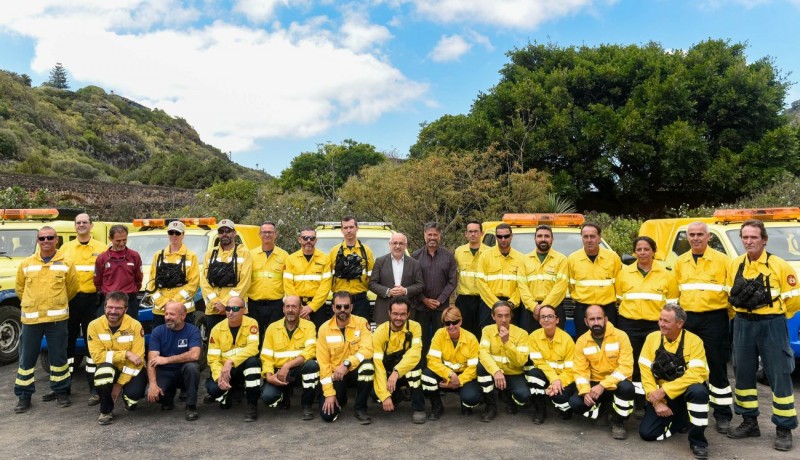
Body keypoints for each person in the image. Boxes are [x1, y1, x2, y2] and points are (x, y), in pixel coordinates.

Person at [725, 219, 798, 451]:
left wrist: (776, 316)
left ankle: (784, 429)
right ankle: (749, 422)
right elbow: (729, 295)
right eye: (745, 237)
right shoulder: (735, 264)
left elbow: (794, 298)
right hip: (743, 323)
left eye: (753, 237)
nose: (749, 241)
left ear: (764, 239)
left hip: (771, 324)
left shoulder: (779, 265)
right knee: (743, 374)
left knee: (779, 374)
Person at [674, 221, 733, 433]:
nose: (696, 238)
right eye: (692, 234)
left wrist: (729, 319)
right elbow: (675, 296)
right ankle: (689, 413)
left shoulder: (723, 261)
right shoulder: (680, 262)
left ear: (709, 237)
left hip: (714, 319)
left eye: (700, 234)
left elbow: (731, 294)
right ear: (687, 238)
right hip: (688, 320)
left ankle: (723, 414)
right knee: (688, 366)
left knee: (717, 366)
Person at [14, 226, 78, 414]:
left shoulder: (66, 262)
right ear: (38, 241)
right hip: (31, 320)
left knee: (58, 358)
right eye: (42, 238)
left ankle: (61, 391)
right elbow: (20, 289)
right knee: (26, 360)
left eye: (50, 237)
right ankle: (24, 396)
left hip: (57, 319)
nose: (46, 241)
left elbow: (72, 288)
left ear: (57, 240)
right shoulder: (26, 264)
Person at [638, 304, 710, 460]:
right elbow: (645, 373)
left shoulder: (694, 341)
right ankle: (681, 418)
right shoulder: (652, 338)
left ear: (680, 323)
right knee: (647, 433)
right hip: (660, 396)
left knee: (699, 391)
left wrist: (664, 390)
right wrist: (657, 402)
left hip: (684, 392)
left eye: (666, 321)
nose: (661, 324)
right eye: (660, 319)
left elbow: (697, 373)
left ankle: (698, 441)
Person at [615, 236, 678, 409]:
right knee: (633, 363)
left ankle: (654, 398)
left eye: (646, 249)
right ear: (634, 252)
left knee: (655, 362)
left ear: (654, 251)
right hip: (629, 324)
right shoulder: (624, 273)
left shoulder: (667, 274)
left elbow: (672, 304)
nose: (642, 253)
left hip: (655, 326)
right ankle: (637, 401)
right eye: (639, 249)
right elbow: (619, 299)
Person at [569, 304, 635, 440]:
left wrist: (603, 385)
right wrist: (585, 391)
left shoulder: (621, 336)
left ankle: (618, 421)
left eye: (599, 318)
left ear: (606, 319)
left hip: (616, 384)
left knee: (627, 388)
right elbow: (580, 370)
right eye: (592, 319)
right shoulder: (582, 341)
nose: (596, 322)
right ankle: (604, 410)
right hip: (594, 385)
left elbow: (626, 367)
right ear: (586, 322)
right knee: (576, 403)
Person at [60, 213, 106, 404]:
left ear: (91, 226)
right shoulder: (65, 248)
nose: (81, 225)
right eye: (78, 223)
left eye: (84, 222)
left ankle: (94, 387)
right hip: (70, 300)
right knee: (67, 343)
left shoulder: (101, 248)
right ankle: (64, 387)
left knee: (92, 344)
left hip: (92, 301)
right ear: (74, 226)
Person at [87, 291, 147, 425]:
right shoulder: (94, 326)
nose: (113, 311)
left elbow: (137, 360)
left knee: (133, 396)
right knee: (104, 371)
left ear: (126, 309)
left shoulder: (135, 326)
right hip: (110, 368)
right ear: (104, 307)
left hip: (130, 370)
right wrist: (125, 354)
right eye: (110, 307)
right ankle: (106, 411)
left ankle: (128, 399)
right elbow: (98, 357)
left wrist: (118, 386)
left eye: (118, 308)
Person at [316, 291, 374, 424]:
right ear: (333, 308)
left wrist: (347, 363)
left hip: (354, 371)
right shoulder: (324, 329)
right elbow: (323, 364)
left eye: (346, 307)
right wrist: (330, 393)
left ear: (351, 307)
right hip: (335, 375)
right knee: (327, 416)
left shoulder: (361, 323)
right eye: (339, 307)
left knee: (367, 367)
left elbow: (367, 350)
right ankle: (340, 399)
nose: (342, 310)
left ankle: (360, 408)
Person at [260, 295, 319, 421]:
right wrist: (269, 376)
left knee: (312, 366)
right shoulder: (272, 328)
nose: (290, 310)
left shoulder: (309, 326)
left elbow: (310, 351)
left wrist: (288, 365)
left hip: (298, 370)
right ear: (283, 309)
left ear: (300, 309)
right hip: (278, 372)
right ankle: (284, 397)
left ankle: (307, 405)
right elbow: (266, 357)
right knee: (268, 397)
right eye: (288, 306)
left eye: (294, 306)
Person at [205, 296, 261, 422]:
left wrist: (231, 361)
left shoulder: (252, 323)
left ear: (244, 310)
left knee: (253, 362)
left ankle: (252, 404)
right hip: (225, 372)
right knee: (213, 390)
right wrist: (219, 378)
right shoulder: (216, 329)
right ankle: (228, 391)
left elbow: (253, 349)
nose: (231, 312)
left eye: (235, 309)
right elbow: (213, 359)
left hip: (242, 367)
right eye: (228, 308)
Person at [421, 306, 482, 419]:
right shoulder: (439, 334)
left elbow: (473, 367)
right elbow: (432, 361)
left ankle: (466, 404)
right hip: (446, 375)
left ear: (461, 321)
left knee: (471, 398)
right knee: (426, 376)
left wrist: (459, 381)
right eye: (447, 323)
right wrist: (450, 375)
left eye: (455, 322)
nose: (451, 326)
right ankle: (437, 406)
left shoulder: (471, 339)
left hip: (465, 377)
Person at [146, 301, 202, 421]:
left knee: (192, 368)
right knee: (158, 397)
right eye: (166, 314)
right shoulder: (158, 331)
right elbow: (152, 360)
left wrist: (167, 360)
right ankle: (168, 396)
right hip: (166, 372)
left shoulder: (192, 330)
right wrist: (152, 385)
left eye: (172, 314)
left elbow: (195, 355)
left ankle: (191, 406)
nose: (168, 318)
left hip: (183, 372)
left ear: (183, 316)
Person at [372, 297, 426, 424]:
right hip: (388, 373)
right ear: (389, 313)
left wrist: (396, 372)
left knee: (416, 367)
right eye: (395, 314)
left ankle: (419, 407)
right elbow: (378, 365)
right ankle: (400, 395)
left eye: (402, 314)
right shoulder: (380, 332)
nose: (398, 318)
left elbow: (415, 353)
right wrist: (385, 396)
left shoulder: (415, 327)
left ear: (408, 314)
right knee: (376, 396)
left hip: (404, 371)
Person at [477, 300, 531, 422]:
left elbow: (521, 361)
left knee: (524, 397)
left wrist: (507, 342)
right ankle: (490, 406)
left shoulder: (522, 334)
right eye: (499, 316)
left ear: (511, 316)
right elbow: (483, 353)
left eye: (507, 315)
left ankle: (508, 397)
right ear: (493, 316)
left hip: (513, 373)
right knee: (481, 366)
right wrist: (496, 371)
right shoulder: (487, 330)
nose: (503, 319)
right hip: (494, 373)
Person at [476, 224, 535, 329]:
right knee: (489, 337)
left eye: (506, 236)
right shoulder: (485, 256)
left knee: (512, 338)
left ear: (511, 236)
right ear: (496, 237)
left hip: (512, 306)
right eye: (499, 237)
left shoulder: (521, 258)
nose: (503, 239)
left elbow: (522, 285)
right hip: (489, 305)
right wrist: (496, 304)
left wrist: (511, 303)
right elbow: (481, 283)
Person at [567, 223, 621, 338]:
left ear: (599, 238)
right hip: (582, 308)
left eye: (592, 236)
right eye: (585, 237)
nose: (589, 240)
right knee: (583, 341)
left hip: (607, 308)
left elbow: (619, 283)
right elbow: (571, 285)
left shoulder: (613, 257)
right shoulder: (573, 259)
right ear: (582, 238)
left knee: (610, 340)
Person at [411, 222, 457, 355]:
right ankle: (422, 368)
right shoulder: (415, 256)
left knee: (442, 339)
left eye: (435, 235)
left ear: (440, 236)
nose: (432, 238)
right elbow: (412, 281)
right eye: (429, 234)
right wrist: (424, 299)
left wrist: (440, 300)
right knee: (421, 340)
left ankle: (440, 368)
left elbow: (452, 281)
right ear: (424, 235)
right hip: (420, 307)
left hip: (441, 308)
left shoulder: (449, 256)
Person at [200, 219, 253, 334]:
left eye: (227, 231)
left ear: (234, 233)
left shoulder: (244, 253)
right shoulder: (210, 254)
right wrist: (215, 302)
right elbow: (204, 282)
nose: (224, 234)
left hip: (236, 309)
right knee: (214, 343)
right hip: (214, 310)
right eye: (221, 231)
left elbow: (245, 282)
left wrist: (226, 304)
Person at [527, 305, 576, 424]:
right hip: (547, 376)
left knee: (561, 399)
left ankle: (565, 409)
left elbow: (570, 369)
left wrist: (558, 382)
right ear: (539, 320)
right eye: (543, 317)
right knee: (533, 374)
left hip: (564, 378)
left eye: (550, 316)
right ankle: (540, 410)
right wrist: (553, 380)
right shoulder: (533, 337)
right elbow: (539, 363)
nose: (546, 319)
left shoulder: (567, 340)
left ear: (557, 320)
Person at [148, 221, 200, 327]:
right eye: (171, 232)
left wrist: (174, 302)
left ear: (183, 235)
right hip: (161, 311)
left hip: (183, 310)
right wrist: (164, 303)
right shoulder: (158, 256)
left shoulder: (191, 256)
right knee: (161, 341)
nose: (174, 235)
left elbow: (193, 284)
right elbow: (152, 283)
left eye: (177, 233)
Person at [521, 224, 569, 333]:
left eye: (547, 236)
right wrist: (534, 307)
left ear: (552, 239)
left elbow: (560, 287)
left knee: (556, 343)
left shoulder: (561, 259)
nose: (543, 239)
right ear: (535, 238)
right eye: (539, 236)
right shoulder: (524, 259)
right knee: (530, 344)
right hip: (530, 311)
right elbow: (522, 286)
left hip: (555, 308)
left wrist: (542, 309)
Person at [369, 233, 424, 326]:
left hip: (407, 313)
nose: (397, 246)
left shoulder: (415, 263)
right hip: (383, 312)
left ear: (405, 246)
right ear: (390, 244)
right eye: (395, 243)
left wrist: (405, 291)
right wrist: (388, 291)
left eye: (401, 243)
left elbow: (420, 285)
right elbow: (372, 284)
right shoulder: (380, 261)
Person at [283, 227, 332, 329]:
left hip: (318, 307)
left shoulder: (325, 259)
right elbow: (288, 285)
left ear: (316, 240)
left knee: (318, 335)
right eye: (305, 238)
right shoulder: (291, 259)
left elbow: (325, 286)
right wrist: (299, 307)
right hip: (296, 307)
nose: (308, 241)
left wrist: (311, 307)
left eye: (312, 238)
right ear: (299, 239)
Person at [329, 216, 375, 321]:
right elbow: (328, 277)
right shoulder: (334, 252)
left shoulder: (366, 251)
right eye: (345, 228)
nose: (348, 230)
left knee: (361, 333)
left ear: (357, 228)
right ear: (341, 230)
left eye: (351, 227)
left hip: (360, 300)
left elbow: (371, 276)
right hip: (339, 301)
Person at [248, 221, 288, 341]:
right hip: (254, 304)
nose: (267, 235)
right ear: (259, 234)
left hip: (276, 305)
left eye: (270, 232)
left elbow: (288, 281)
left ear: (275, 234)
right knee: (254, 338)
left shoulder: (284, 255)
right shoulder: (250, 255)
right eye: (264, 232)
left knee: (275, 337)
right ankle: (255, 359)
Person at [94, 224, 143, 320]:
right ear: (110, 239)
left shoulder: (134, 256)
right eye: (118, 241)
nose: (122, 243)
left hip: (129, 301)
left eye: (124, 240)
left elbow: (138, 279)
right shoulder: (102, 258)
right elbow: (97, 281)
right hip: (109, 300)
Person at [454, 220, 490, 336]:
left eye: (476, 231)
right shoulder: (459, 251)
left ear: (482, 233)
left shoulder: (489, 252)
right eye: (470, 232)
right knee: (465, 331)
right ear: (466, 234)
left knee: (483, 330)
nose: (473, 234)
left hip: (484, 299)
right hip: (464, 299)